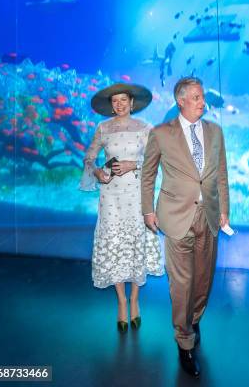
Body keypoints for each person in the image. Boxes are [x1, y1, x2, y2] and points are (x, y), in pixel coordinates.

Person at [141, 76, 229, 378]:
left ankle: (194, 318)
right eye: (195, 97)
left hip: (209, 217)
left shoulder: (216, 132)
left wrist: (224, 212)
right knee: (181, 283)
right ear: (180, 101)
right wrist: (147, 210)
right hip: (176, 218)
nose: (202, 101)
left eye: (202, 96)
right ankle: (184, 341)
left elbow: (221, 177)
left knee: (203, 280)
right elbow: (148, 174)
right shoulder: (161, 133)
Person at [80, 83, 164, 334]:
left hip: (137, 195)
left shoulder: (145, 128)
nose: (119, 104)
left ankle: (135, 299)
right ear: (111, 104)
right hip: (111, 196)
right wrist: (96, 171)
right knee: (115, 243)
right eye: (115, 101)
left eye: (123, 100)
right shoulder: (103, 128)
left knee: (135, 243)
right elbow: (89, 158)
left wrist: (133, 163)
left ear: (132, 102)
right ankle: (121, 301)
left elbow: (155, 160)